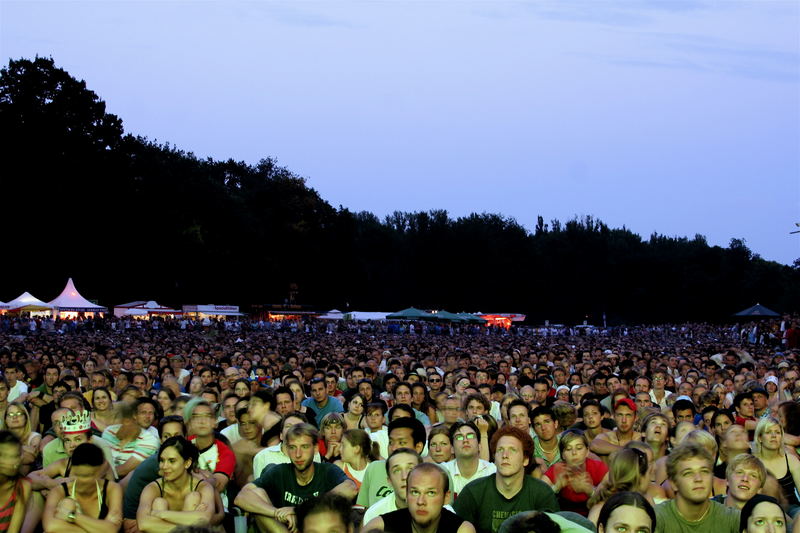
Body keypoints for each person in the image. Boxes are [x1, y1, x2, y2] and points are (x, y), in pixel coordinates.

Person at [234, 423, 357, 533]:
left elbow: (351, 488)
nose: (298, 454)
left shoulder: (327, 470)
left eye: (304, 447)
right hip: (283, 529)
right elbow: (241, 497)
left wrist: (298, 510)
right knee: (258, 498)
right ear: (287, 449)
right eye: (292, 447)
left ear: (315, 449)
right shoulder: (279, 472)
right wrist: (276, 513)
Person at [453, 426, 559, 533]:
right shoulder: (473, 492)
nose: (505, 455)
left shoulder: (542, 493)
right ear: (494, 458)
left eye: (512, 450)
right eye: (500, 450)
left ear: (525, 460)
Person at [364, 463, 476, 533]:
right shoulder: (380, 527)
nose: (421, 501)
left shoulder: (461, 530)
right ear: (406, 495)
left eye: (431, 493)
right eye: (415, 492)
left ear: (446, 497)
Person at [654, 442, 739, 533]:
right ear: (674, 483)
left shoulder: (733, 520)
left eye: (704, 471)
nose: (698, 479)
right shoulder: (656, 519)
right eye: (688, 473)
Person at [136, 436, 215, 532]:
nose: (164, 466)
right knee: (159, 503)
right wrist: (189, 527)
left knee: (193, 497)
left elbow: (204, 519)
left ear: (187, 463)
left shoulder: (203, 487)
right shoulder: (153, 488)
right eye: (162, 460)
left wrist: (160, 514)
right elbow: (143, 524)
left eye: (172, 461)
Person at [42, 443, 122, 533]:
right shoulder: (59, 491)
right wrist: (100, 528)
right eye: (77, 475)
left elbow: (113, 530)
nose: (82, 481)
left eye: (88, 476)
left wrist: (72, 516)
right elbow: (50, 526)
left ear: (100, 471)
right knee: (67, 503)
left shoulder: (111, 489)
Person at [357, 417, 427, 508]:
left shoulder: (435, 474)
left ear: (418, 447)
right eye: (391, 442)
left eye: (401, 443)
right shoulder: (374, 468)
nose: (393, 448)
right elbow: (366, 511)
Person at [542, 429, 607, 516]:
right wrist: (556, 487)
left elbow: (612, 499)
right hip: (564, 517)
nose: (574, 453)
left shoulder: (599, 467)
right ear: (563, 455)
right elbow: (539, 497)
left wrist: (590, 490)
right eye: (568, 449)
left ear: (587, 451)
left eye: (579, 448)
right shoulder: (557, 469)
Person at [752, 417, 800, 517]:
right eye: (768, 432)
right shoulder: (752, 462)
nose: (774, 436)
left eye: (777, 432)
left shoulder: (791, 460)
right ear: (760, 438)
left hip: (791, 509)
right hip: (761, 510)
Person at [362, 448, 422, 525]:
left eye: (411, 469)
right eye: (397, 470)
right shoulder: (374, 515)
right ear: (389, 480)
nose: (404, 476)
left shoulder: (438, 512)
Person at [102, 400, 159, 478]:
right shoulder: (108, 432)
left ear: (132, 418)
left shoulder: (149, 440)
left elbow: (125, 470)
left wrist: (99, 475)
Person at [441, 421, 496, 500]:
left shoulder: (492, 471)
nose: (465, 440)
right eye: (459, 437)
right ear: (452, 448)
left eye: (470, 436)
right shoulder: (443, 471)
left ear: (479, 445)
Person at [0, 431, 32, 533]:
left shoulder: (23, 486)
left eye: (18, 455)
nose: (17, 462)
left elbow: (13, 531)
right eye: (12, 457)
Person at [4, 402, 40, 475]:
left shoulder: (34, 436)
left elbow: (30, 458)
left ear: (26, 418)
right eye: (10, 414)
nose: (14, 417)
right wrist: (24, 449)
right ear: (5, 420)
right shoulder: (2, 436)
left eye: (19, 414)